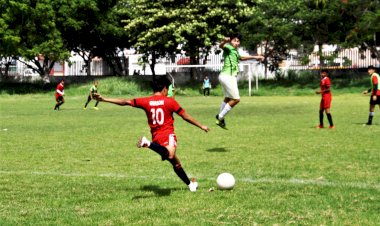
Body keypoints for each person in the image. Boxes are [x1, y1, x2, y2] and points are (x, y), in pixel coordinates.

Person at [94, 76, 209, 192]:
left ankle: (190, 185)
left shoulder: (145, 101)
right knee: (170, 155)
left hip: (156, 138)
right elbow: (185, 116)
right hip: (167, 135)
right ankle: (147, 143)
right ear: (164, 89)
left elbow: (125, 102)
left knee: (175, 162)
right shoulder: (170, 101)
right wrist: (201, 126)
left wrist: (104, 99)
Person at [216, 33, 264, 128]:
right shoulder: (228, 47)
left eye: (238, 41)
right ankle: (220, 117)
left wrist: (255, 57)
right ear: (231, 41)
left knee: (228, 98)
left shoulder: (235, 51)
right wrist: (225, 41)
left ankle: (220, 116)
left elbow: (241, 58)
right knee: (236, 99)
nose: (236, 43)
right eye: (235, 40)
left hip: (224, 76)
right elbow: (221, 46)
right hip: (228, 76)